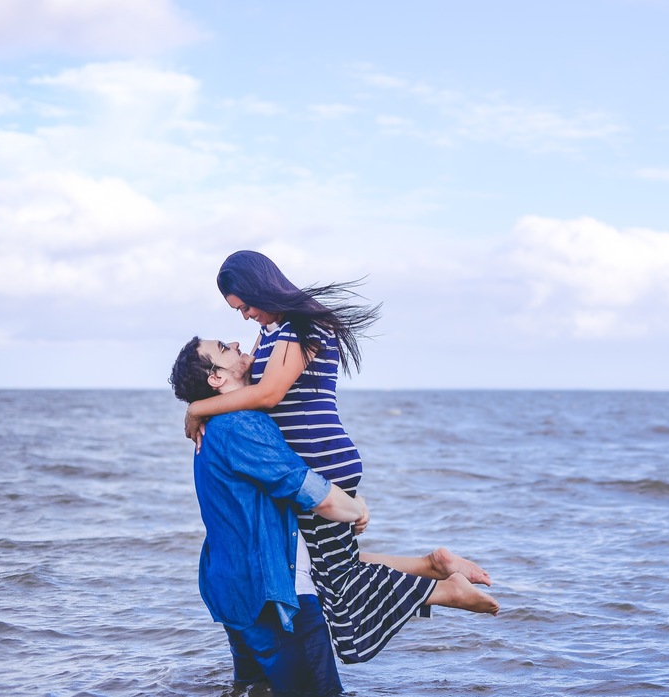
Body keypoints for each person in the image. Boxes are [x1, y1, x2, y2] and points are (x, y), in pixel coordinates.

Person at [181, 251, 486, 663]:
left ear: (260, 288)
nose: (246, 316)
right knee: (329, 563)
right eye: (239, 311)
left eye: (245, 306)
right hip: (304, 459)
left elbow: (268, 394)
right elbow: (246, 391)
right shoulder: (270, 332)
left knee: (334, 575)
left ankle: (444, 590)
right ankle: (433, 565)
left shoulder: (301, 327)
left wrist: (197, 408)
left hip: (318, 456)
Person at [170, 337, 498, 694]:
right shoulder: (241, 426)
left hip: (231, 589)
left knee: (255, 691)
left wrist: (197, 407)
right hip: (273, 596)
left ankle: (432, 572)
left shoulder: (214, 427)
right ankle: (438, 584)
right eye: (222, 347)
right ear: (216, 378)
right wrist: (357, 508)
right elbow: (312, 492)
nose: (235, 342)